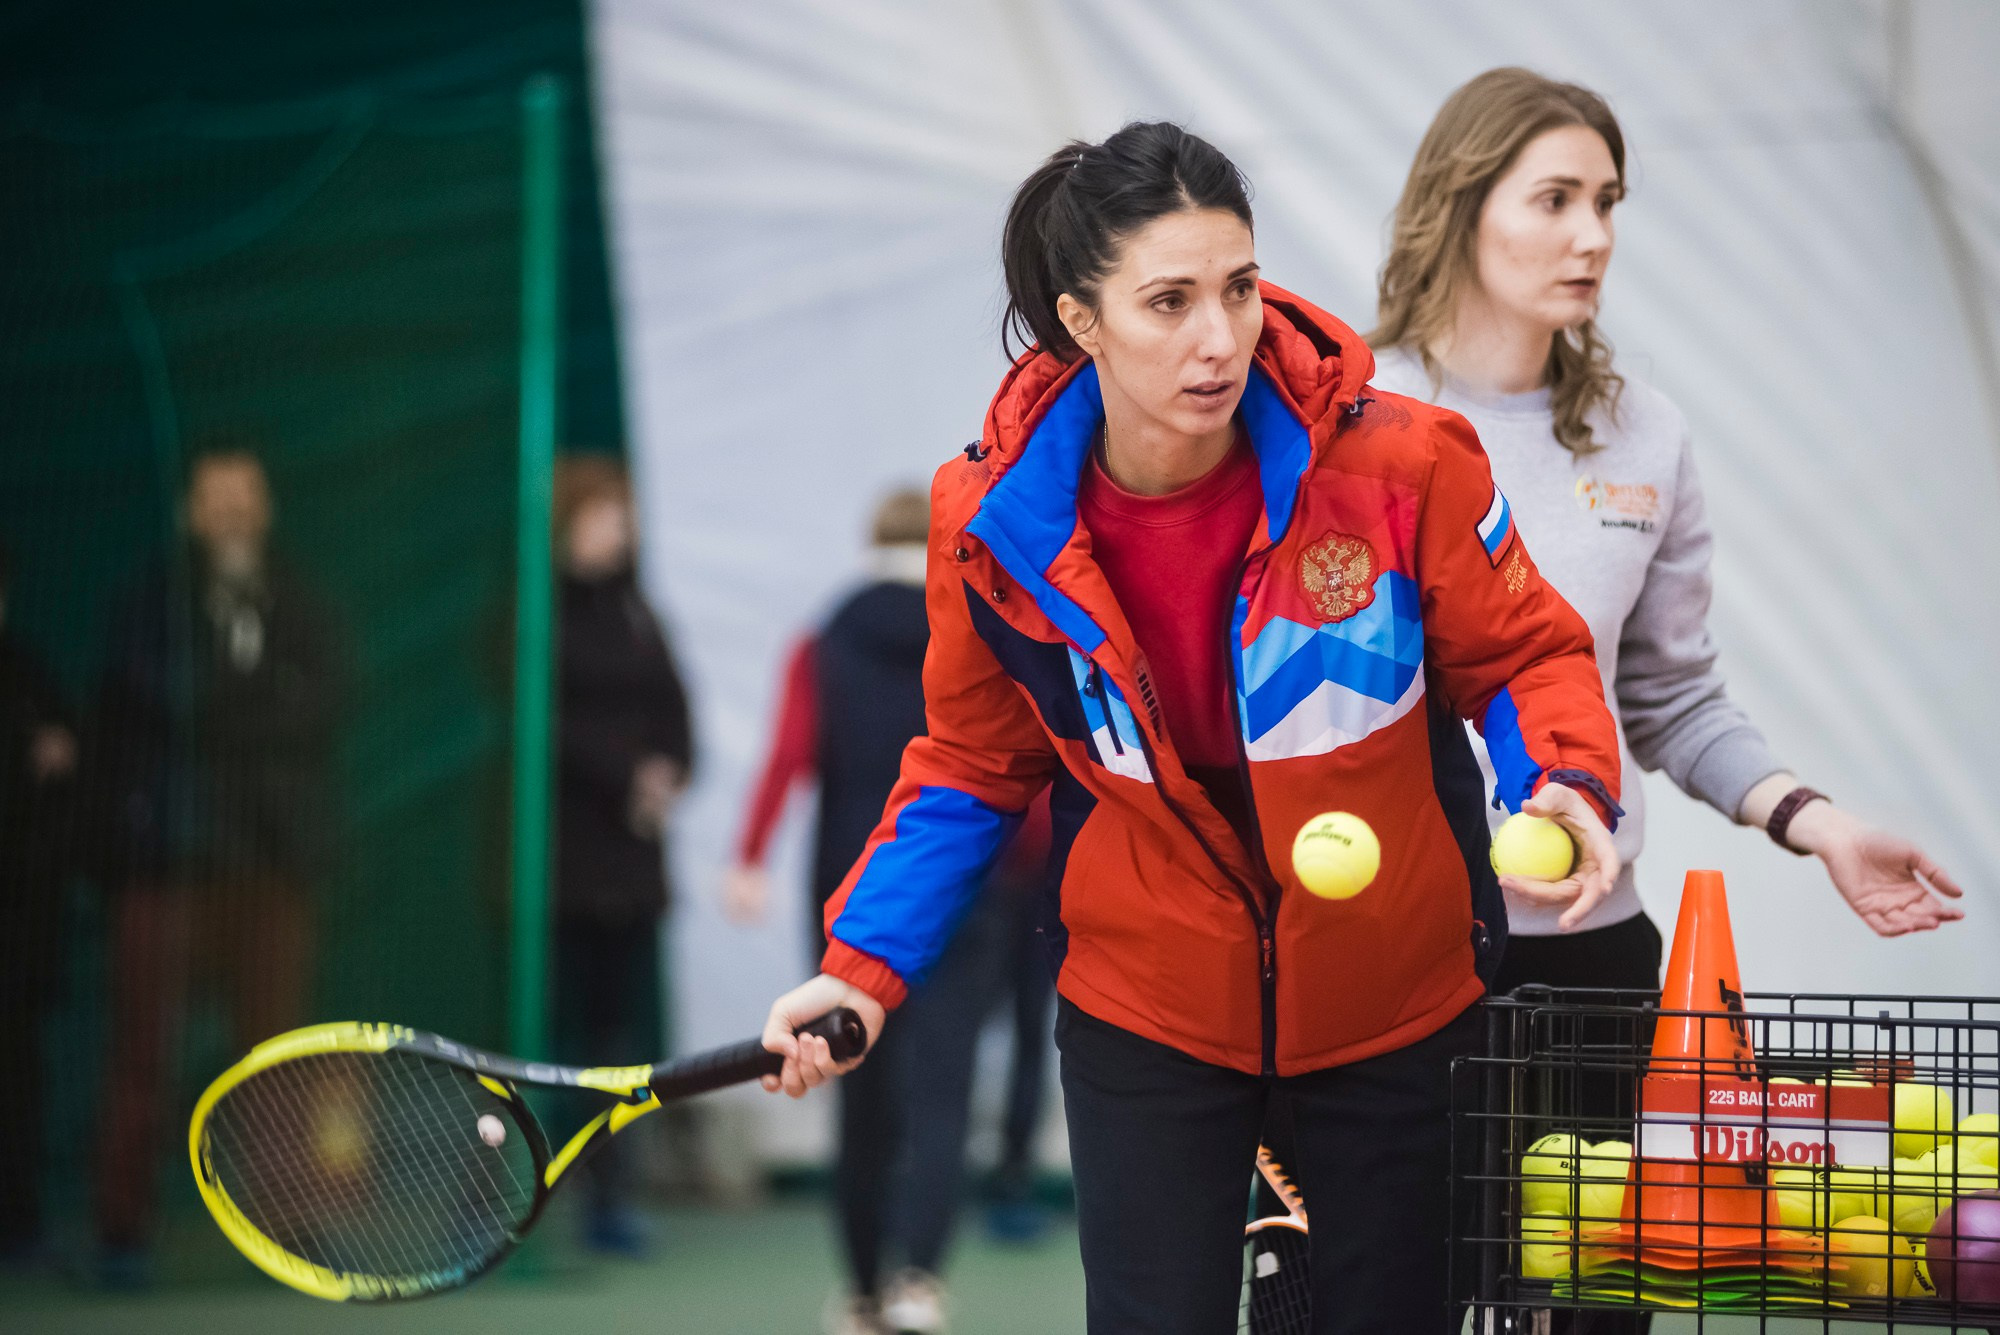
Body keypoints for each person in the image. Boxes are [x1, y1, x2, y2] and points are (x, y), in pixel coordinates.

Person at [757, 121, 1628, 1334]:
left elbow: (1522, 652)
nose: (1218, 338)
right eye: (1167, 302)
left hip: (1396, 1006)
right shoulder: (991, 523)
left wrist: (1567, 784)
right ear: (1081, 320)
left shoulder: (1402, 467)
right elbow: (968, 764)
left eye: (1237, 288)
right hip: (1147, 1018)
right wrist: (860, 970)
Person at [1366, 68, 1967, 1331]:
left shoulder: (1642, 439)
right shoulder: (1349, 424)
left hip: (1595, 969)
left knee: (1595, 1308)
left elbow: (1669, 697)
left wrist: (1815, 823)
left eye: (1608, 201)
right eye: (1555, 199)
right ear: (1461, 207)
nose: (1593, 236)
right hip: (1386, 966)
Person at [726, 489, 1051, 1335]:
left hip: (855, 902)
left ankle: (865, 1290)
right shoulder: (981, 628)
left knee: (857, 1092)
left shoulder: (824, 639)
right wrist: (1019, 874)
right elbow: (1012, 767)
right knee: (944, 1089)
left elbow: (789, 754)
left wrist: (750, 856)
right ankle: (919, 1281)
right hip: (970, 893)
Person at [92, 447, 343, 1286]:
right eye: (214, 496)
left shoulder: (301, 598)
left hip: (271, 867)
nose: (231, 509)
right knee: (144, 1051)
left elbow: (333, 695)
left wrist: (238, 709)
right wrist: (252, 704)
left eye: (245, 494)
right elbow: (159, 699)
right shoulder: (149, 605)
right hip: (171, 868)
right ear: (189, 511)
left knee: (277, 1054)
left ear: (265, 505)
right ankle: (122, 1230)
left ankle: (290, 1226)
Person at [550, 454, 694, 1257]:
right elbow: (547, 721)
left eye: (623, 515)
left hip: (632, 871)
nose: (618, 529)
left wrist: (663, 776)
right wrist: (624, 777)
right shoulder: (536, 616)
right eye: (603, 515)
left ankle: (611, 1198)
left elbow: (676, 711)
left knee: (616, 1036)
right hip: (561, 873)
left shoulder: (638, 612)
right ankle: (506, 1197)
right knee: (552, 1036)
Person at [0, 544, 81, 1267]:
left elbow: (61, 793)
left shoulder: (28, 676)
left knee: (18, 1069)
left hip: (18, 929)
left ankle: (19, 1218)